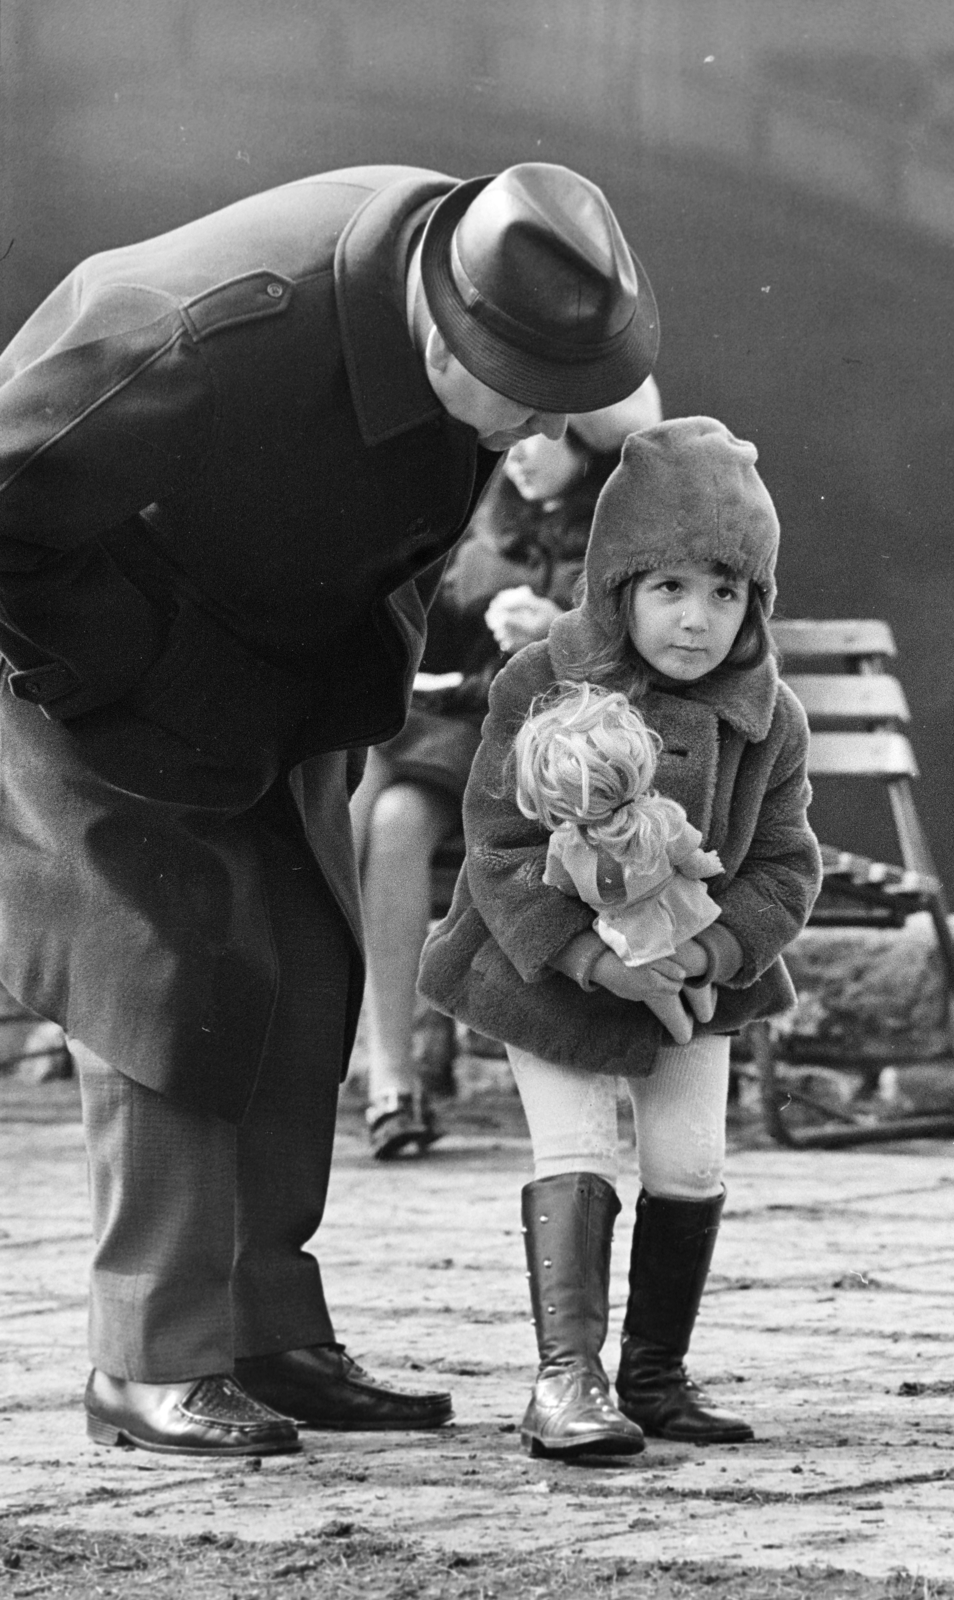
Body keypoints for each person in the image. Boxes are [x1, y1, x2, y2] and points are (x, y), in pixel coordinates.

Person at [0, 160, 658, 1457]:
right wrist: (127, 670)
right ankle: (150, 1358)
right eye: (520, 396)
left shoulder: (484, 282)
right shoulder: (207, 320)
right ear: (439, 324)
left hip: (280, 667)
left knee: (306, 965)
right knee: (170, 977)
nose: (537, 430)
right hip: (96, 672)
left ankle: (266, 1332)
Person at [419, 417, 821, 1460]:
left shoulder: (766, 716)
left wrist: (707, 952)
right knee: (580, 1144)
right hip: (545, 963)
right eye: (669, 588)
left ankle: (652, 1373)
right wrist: (596, 957)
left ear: (753, 604)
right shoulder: (545, 682)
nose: (696, 620)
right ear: (616, 587)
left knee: (688, 1161)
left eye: (725, 594)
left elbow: (783, 863)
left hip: (692, 963)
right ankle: (566, 1380)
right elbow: (499, 845)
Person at [350, 380, 662, 1159]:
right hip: (453, 728)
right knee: (379, 811)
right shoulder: (485, 513)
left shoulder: (620, 533)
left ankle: (329, 1058)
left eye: (539, 436)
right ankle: (391, 1081)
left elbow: (636, 668)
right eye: (510, 437)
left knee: (358, 789)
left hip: (538, 749)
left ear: (582, 440)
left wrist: (554, 629)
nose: (518, 453)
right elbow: (440, 626)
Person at [513, 680, 725, 1046]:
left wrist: (564, 888)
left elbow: (559, 881)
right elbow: (689, 857)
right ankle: (700, 1014)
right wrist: (706, 866)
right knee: (676, 966)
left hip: (632, 919)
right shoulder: (660, 817)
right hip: (666, 907)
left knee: (657, 980)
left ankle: (688, 1025)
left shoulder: (570, 840)